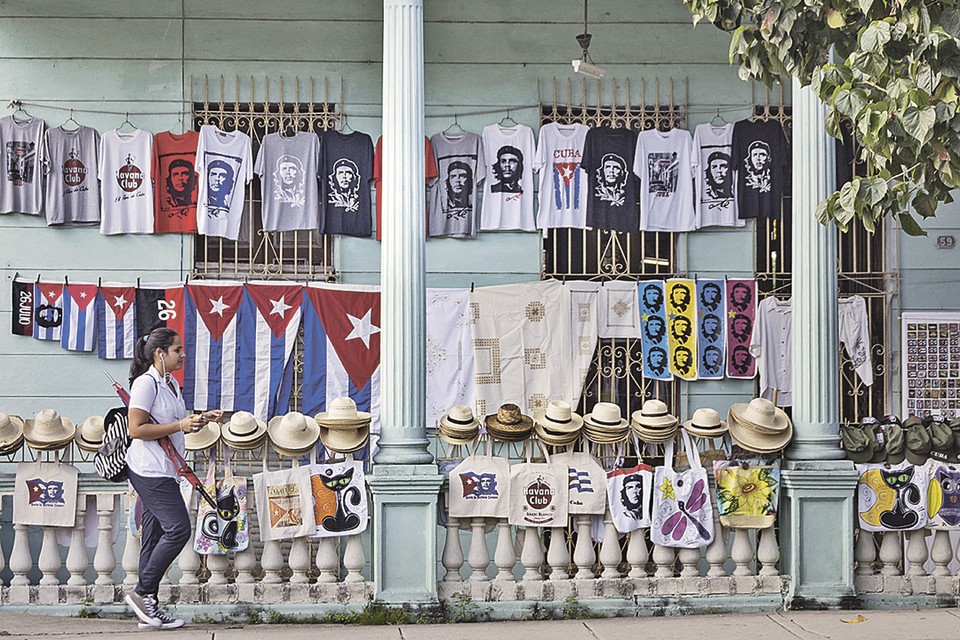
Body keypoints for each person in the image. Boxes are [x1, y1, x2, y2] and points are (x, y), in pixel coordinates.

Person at [124, 328, 222, 630]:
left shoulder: (170, 384)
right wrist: (180, 423)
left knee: (153, 537)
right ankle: (142, 593)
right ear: (160, 354)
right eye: (177, 350)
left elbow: (168, 423)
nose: (182, 354)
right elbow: (136, 429)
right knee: (178, 529)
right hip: (149, 469)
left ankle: (147, 609)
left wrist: (199, 419)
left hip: (165, 469)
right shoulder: (146, 383)